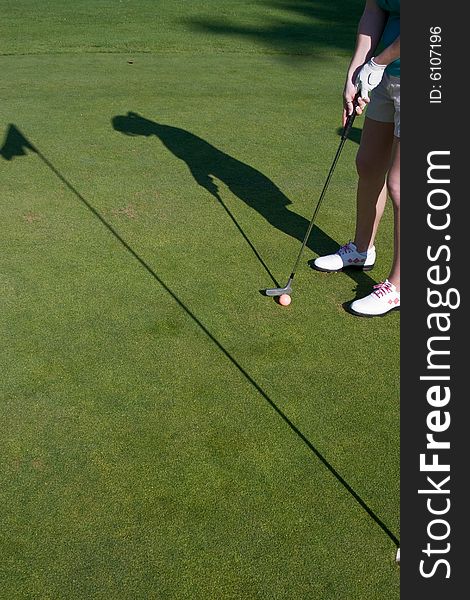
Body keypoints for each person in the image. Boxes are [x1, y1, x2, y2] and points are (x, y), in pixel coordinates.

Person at [313, 0, 400, 317]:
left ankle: (400, 285)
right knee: (368, 164)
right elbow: (374, 10)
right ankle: (362, 250)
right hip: (387, 74)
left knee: (400, 183)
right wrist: (355, 70)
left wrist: (376, 64)